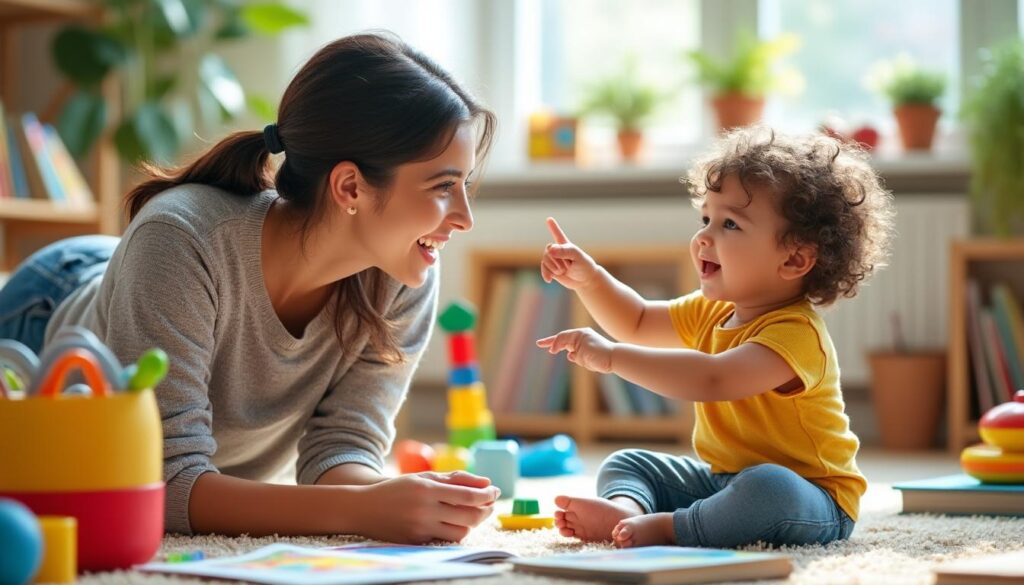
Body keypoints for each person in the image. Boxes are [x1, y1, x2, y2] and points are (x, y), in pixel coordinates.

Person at [0, 32, 500, 543]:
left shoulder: (403, 271)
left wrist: (401, 501)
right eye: (442, 187)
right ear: (350, 187)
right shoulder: (181, 238)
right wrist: (359, 511)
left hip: (138, 278)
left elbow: (341, 448)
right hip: (41, 326)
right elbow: (164, 483)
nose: (465, 218)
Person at [537, 127, 895, 549]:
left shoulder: (796, 334)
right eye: (705, 218)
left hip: (812, 499)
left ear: (795, 258)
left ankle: (673, 527)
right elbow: (635, 320)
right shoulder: (713, 311)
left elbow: (712, 379)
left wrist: (612, 359)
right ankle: (629, 510)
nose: (704, 237)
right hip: (724, 481)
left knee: (769, 486)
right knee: (628, 462)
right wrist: (589, 279)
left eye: (729, 224)